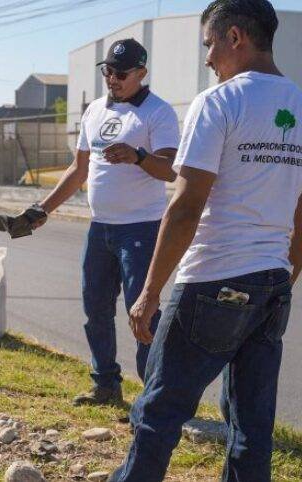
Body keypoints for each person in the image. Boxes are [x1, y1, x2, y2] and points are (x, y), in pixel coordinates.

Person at [110, 1, 302, 481]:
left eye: (210, 45)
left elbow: (185, 205)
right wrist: (282, 280)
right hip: (272, 283)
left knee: (158, 412)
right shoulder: (299, 105)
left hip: (213, 280)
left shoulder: (218, 102)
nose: (208, 59)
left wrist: (149, 292)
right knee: (251, 426)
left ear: (235, 37)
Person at [32, 38, 180, 406]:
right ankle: (105, 385)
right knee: (95, 308)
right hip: (100, 228)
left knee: (143, 314)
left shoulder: (158, 113)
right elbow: (78, 168)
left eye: (121, 73)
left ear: (141, 73)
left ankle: (154, 397)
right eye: (107, 71)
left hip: (141, 230)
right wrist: (42, 209)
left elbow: (171, 170)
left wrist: (138, 156)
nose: (112, 79)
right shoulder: (96, 110)